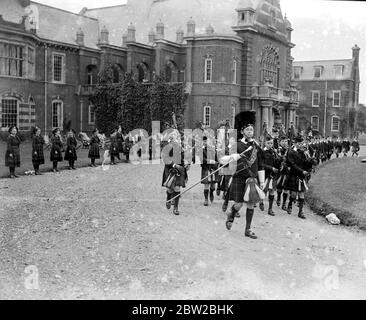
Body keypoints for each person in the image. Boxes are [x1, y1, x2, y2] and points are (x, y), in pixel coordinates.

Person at [219, 112, 265, 239]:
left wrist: (261, 181)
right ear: (242, 131)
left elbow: (260, 164)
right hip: (239, 177)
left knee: (251, 204)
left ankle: (248, 229)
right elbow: (222, 159)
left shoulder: (256, 146)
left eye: (252, 129)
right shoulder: (237, 145)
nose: (250, 132)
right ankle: (232, 213)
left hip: (252, 178)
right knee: (238, 204)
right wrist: (234, 156)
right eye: (248, 129)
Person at [284, 135, 314, 219]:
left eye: (302, 143)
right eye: (299, 143)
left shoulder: (303, 152)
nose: (301, 145)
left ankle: (300, 212)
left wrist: (310, 162)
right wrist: (302, 171)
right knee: (293, 194)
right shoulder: (291, 152)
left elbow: (305, 163)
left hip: (301, 176)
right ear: (295, 143)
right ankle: (290, 204)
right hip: (293, 174)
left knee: (301, 193)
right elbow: (292, 165)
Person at [162, 130, 189, 215]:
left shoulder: (181, 147)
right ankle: (168, 197)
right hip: (170, 169)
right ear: (171, 138)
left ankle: (176, 208)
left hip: (179, 170)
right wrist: (174, 165)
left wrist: (186, 164)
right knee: (170, 189)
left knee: (177, 188)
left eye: (178, 136)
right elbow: (166, 159)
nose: (177, 138)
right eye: (175, 136)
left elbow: (184, 158)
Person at [262, 136, 281, 216]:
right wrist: (271, 168)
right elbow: (262, 164)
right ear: (265, 143)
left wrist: (279, 160)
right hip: (265, 174)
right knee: (263, 190)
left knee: (272, 191)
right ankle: (261, 201)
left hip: (273, 175)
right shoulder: (262, 152)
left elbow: (276, 163)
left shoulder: (274, 152)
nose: (270, 145)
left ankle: (270, 209)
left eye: (271, 143)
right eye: (268, 143)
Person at [200, 135, 218, 206]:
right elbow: (202, 159)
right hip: (206, 168)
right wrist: (210, 161)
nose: (205, 142)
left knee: (213, 186)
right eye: (204, 141)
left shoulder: (213, 149)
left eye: (207, 141)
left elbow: (217, 159)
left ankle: (211, 192)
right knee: (206, 185)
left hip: (213, 169)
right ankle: (206, 199)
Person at [276, 135, 290, 210]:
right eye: (283, 141)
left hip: (287, 171)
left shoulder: (289, 150)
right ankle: (278, 197)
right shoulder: (278, 150)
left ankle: (284, 203)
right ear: (280, 142)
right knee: (279, 188)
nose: (285, 143)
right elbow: (278, 159)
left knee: (286, 188)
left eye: (286, 141)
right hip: (280, 171)